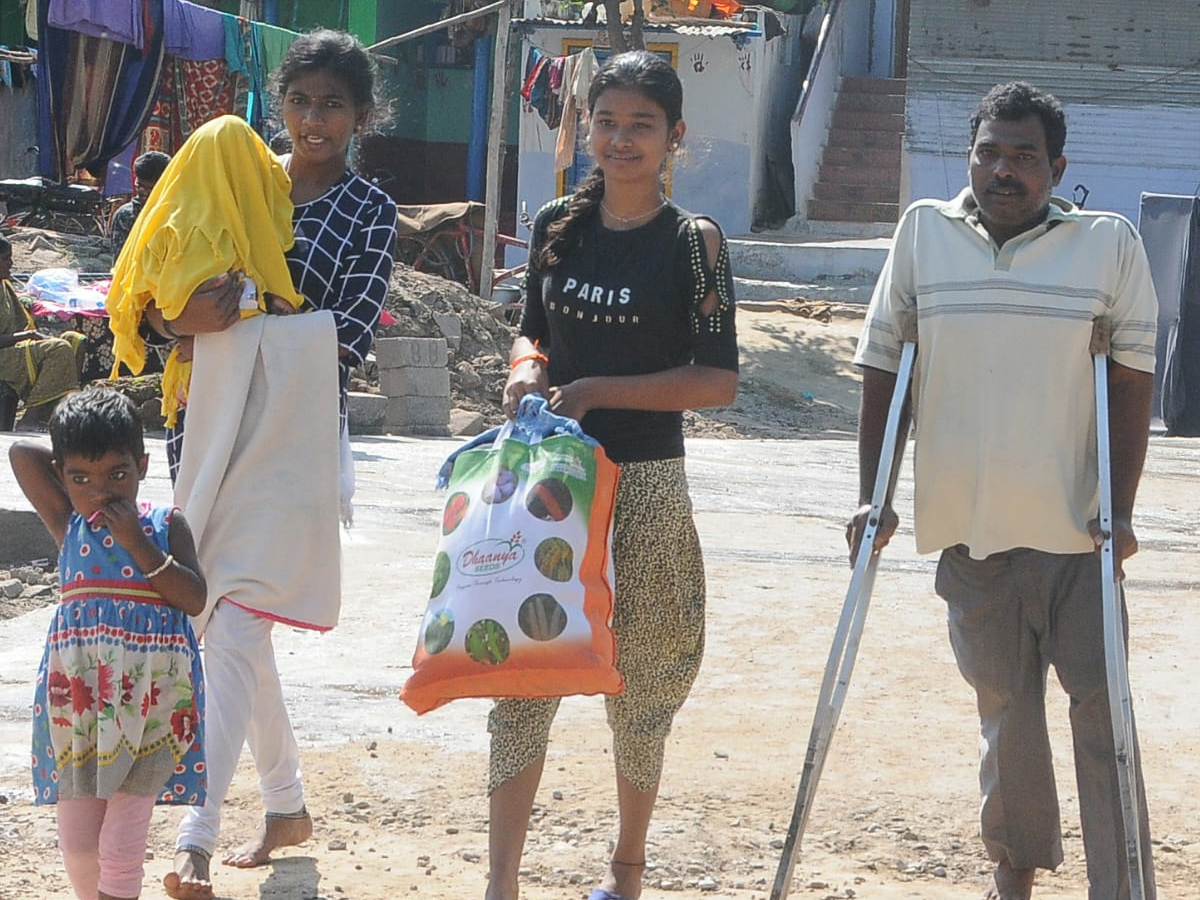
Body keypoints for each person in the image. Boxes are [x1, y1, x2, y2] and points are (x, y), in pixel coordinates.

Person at [849, 81, 1157, 900]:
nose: (1004, 171)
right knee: (1005, 708)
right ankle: (1015, 868)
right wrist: (871, 494)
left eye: (1025, 157)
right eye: (990, 152)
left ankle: (1118, 883)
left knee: (1101, 709)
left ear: (1057, 168)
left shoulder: (1108, 244)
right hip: (970, 527)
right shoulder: (924, 233)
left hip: (1074, 532)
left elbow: (1130, 381)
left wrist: (1120, 512)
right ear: (970, 157)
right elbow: (885, 366)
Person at [138, 29, 397, 900]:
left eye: (332, 104)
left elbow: (349, 338)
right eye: (299, 101)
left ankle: (195, 839)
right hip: (201, 429)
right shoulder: (228, 175)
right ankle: (286, 803)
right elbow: (151, 304)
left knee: (233, 626)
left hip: (289, 438)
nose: (313, 119)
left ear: (361, 116)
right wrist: (182, 324)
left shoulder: (369, 211)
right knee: (226, 624)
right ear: (276, 104)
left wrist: (240, 308)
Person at [495, 50, 738, 900]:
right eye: (607, 122)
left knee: (641, 685)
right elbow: (529, 331)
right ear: (584, 128)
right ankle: (501, 885)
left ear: (677, 136)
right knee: (522, 676)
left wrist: (597, 391)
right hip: (550, 490)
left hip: (647, 491)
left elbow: (717, 381)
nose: (621, 139)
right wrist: (526, 368)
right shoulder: (557, 220)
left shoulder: (694, 245)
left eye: (641, 125)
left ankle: (626, 874)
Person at [8, 386, 207, 900]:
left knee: (120, 843)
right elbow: (20, 454)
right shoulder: (68, 525)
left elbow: (193, 597)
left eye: (117, 474)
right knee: (77, 844)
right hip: (79, 712)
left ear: (142, 465)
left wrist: (137, 543)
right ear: (63, 474)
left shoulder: (166, 526)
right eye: (81, 478)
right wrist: (76, 467)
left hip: (150, 709)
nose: (102, 492)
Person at [0, 234, 84, 431]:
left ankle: (58, 414)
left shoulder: (5, 286)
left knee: (75, 341)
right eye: (6, 259)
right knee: (58, 349)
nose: (11, 263)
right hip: (4, 353)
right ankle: (30, 417)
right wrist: (27, 336)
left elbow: (20, 321)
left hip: (15, 347)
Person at [110, 151, 171, 258]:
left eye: (150, 188)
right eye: (139, 185)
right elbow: (121, 258)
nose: (143, 192)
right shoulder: (125, 215)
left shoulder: (175, 215)